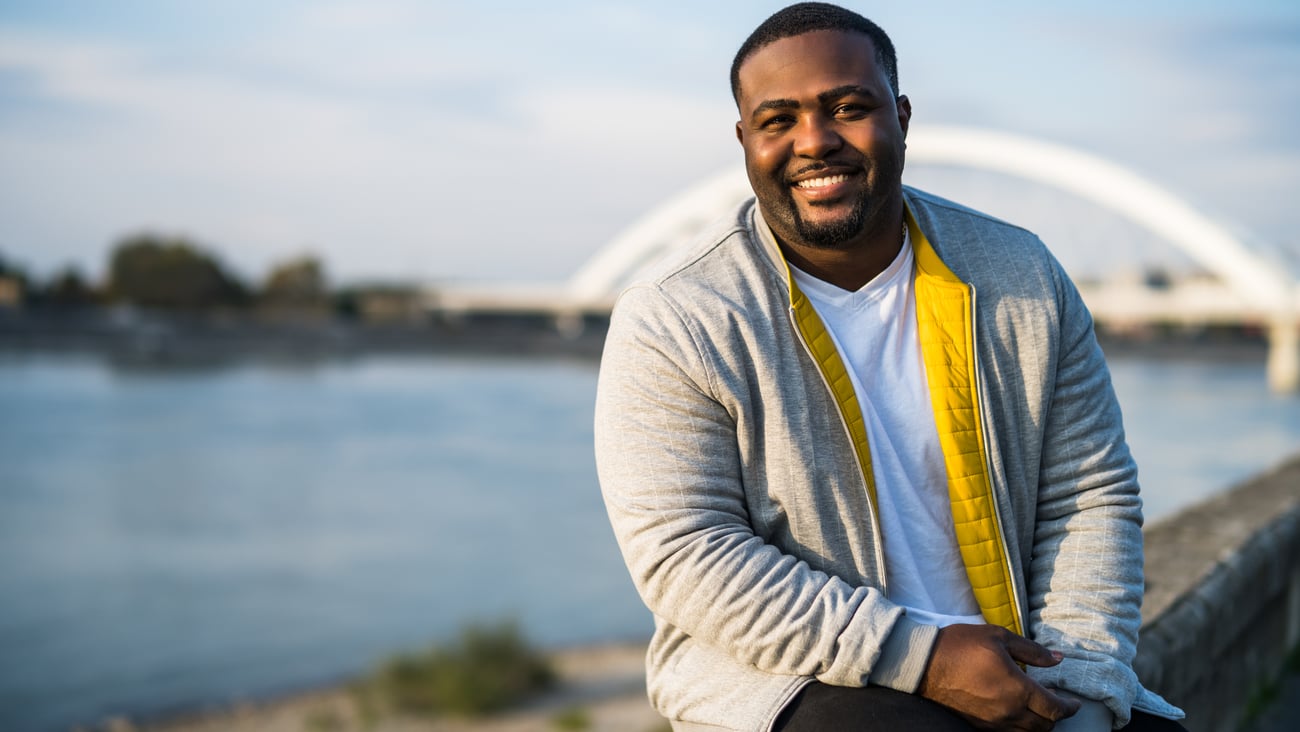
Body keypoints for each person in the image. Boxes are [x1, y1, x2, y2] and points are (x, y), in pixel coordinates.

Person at [594, 3, 1187, 731]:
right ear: (745, 140)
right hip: (792, 681)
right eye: (778, 120)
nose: (814, 142)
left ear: (902, 117)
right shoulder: (678, 316)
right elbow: (688, 554)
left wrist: (1082, 685)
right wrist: (927, 658)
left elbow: (1087, 493)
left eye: (848, 107)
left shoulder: (1020, 273)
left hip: (1020, 666)